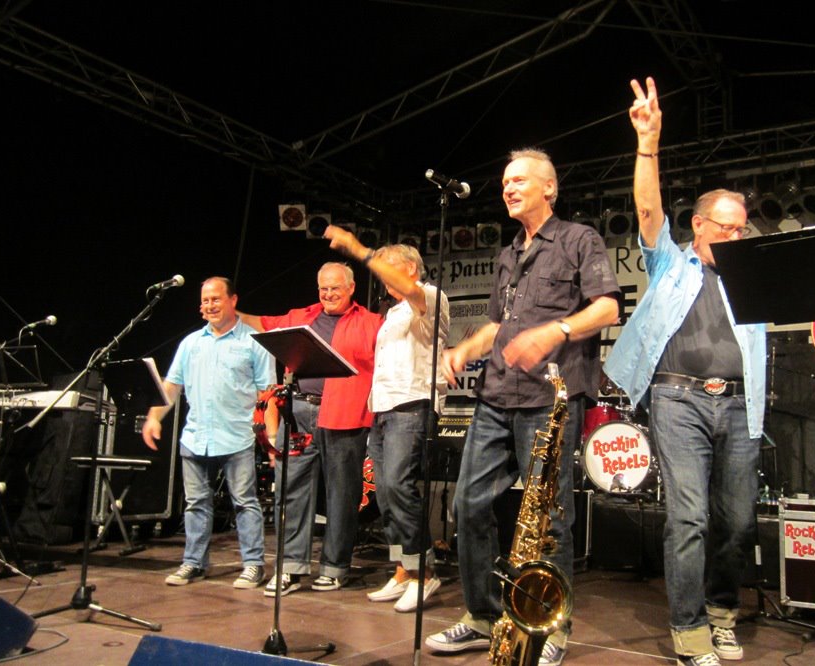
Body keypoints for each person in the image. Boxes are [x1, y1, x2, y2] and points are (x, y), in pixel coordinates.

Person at [424, 148, 621, 666]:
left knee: (549, 517)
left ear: (549, 188)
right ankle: (483, 616)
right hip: (496, 395)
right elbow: (497, 323)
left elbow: (607, 307)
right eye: (504, 182)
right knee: (468, 504)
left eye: (518, 180)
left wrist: (556, 330)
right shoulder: (508, 253)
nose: (507, 188)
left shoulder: (579, 239)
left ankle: (550, 626)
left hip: (548, 400)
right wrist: (465, 349)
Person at [604, 77, 766, 666]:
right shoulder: (671, 263)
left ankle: (721, 612)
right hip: (679, 400)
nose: (736, 235)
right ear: (698, 225)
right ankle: (690, 631)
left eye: (742, 228)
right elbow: (648, 210)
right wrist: (647, 143)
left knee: (738, 522)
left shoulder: (753, 273)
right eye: (726, 227)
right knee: (690, 516)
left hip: (742, 404)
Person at [324, 226, 450, 612]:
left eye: (387, 269)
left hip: (411, 405)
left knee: (398, 485)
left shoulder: (429, 295)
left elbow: (412, 292)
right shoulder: (393, 312)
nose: (381, 278)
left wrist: (358, 249)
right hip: (383, 408)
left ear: (409, 268)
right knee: (383, 492)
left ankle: (425, 571)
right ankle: (403, 569)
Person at [239, 262, 382, 596]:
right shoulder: (302, 316)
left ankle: (335, 568)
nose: (328, 294)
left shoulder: (372, 323)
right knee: (291, 490)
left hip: (346, 414)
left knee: (342, 494)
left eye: (335, 288)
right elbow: (263, 324)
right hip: (299, 413)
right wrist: (233, 313)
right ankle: (290, 568)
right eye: (323, 288)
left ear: (351, 288)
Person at [142, 276, 276, 589]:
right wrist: (154, 418)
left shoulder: (254, 341)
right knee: (196, 504)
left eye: (216, 299)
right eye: (205, 301)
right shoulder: (191, 343)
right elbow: (171, 385)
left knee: (244, 502)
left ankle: (253, 564)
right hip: (196, 436)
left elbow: (268, 394)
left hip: (237, 436)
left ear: (233, 300)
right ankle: (193, 563)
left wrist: (271, 439)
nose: (209, 306)